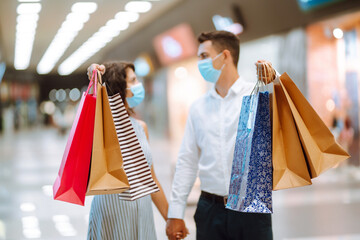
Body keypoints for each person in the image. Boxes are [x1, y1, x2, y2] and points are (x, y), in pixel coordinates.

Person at [166, 31, 275, 240]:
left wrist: (273, 83)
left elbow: (279, 140)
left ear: (225, 55)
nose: (200, 63)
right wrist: (175, 213)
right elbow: (187, 161)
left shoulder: (256, 97)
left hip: (251, 206)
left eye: (204, 56)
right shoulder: (198, 108)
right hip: (210, 209)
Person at [86, 61, 169, 240]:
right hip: (112, 214)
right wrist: (94, 79)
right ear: (119, 87)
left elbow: (151, 178)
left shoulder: (141, 127)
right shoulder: (100, 126)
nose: (138, 85)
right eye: (133, 80)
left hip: (143, 212)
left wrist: (170, 219)